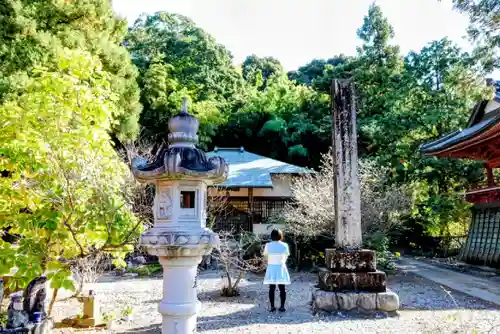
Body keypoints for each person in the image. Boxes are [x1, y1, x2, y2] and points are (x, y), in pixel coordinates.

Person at [263, 229, 291, 312]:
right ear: (280, 236)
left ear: (271, 236)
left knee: (271, 288)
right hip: (281, 267)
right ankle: (282, 306)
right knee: (282, 288)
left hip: (271, 267)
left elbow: (266, 256)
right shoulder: (285, 245)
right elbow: (286, 256)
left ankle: (272, 307)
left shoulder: (268, 245)